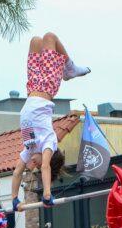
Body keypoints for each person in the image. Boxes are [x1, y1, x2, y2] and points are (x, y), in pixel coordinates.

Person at [11, 32, 90, 210]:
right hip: (47, 86)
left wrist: (15, 199)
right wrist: (47, 194)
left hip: (32, 88)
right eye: (37, 164)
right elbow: (46, 166)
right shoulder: (49, 143)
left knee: (35, 41)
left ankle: (69, 68)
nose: (35, 164)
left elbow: (17, 172)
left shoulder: (29, 149)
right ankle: (70, 69)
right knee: (50, 37)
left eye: (35, 165)